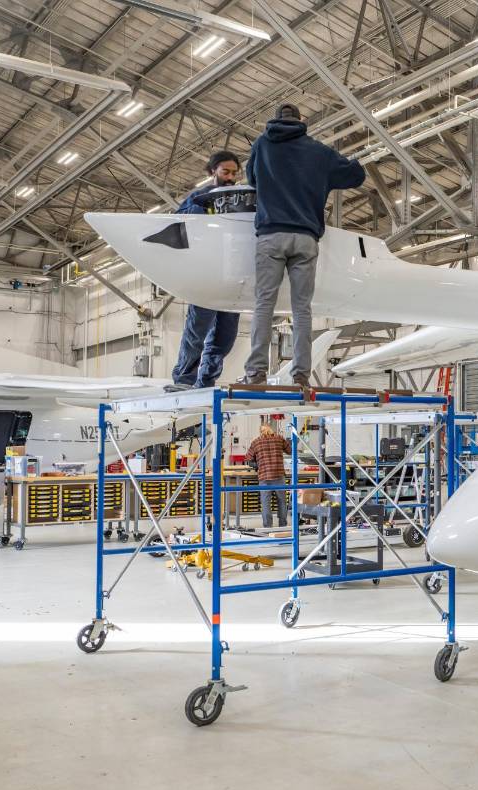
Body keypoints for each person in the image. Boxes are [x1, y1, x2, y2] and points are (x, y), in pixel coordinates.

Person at [240, 103, 365, 388]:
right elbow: (355, 176)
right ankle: (300, 375)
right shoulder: (319, 151)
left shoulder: (262, 145)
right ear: (301, 121)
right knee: (302, 309)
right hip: (306, 239)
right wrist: (354, 160)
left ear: (275, 120)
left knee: (264, 305)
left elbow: (252, 179)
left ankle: (256, 373)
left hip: (271, 234)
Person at [168, 151, 243, 391]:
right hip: (207, 274)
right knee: (197, 332)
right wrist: (201, 210)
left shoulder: (242, 198)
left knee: (225, 338)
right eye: (225, 172)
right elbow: (178, 220)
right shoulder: (198, 197)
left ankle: (207, 380)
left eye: (234, 173)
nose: (230, 177)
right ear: (213, 172)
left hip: (232, 278)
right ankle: (184, 379)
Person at [246, 421, 291, 528]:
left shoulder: (256, 442)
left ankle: (267, 527)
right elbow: (290, 451)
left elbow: (248, 458)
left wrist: (257, 464)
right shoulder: (279, 438)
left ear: (260, 432)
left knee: (266, 503)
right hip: (279, 475)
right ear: (271, 430)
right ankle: (282, 525)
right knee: (282, 502)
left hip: (264, 477)